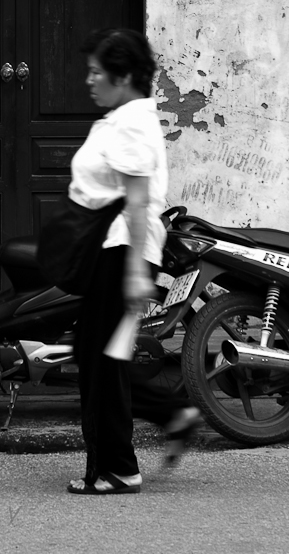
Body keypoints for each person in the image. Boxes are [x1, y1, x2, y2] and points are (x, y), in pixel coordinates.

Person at [66, 28, 200, 495]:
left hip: (120, 251)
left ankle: (119, 468)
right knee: (98, 357)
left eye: (96, 72)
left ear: (122, 77)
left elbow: (139, 203)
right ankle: (163, 423)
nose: (89, 80)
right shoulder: (123, 117)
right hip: (111, 250)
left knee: (100, 362)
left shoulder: (130, 124)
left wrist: (136, 273)